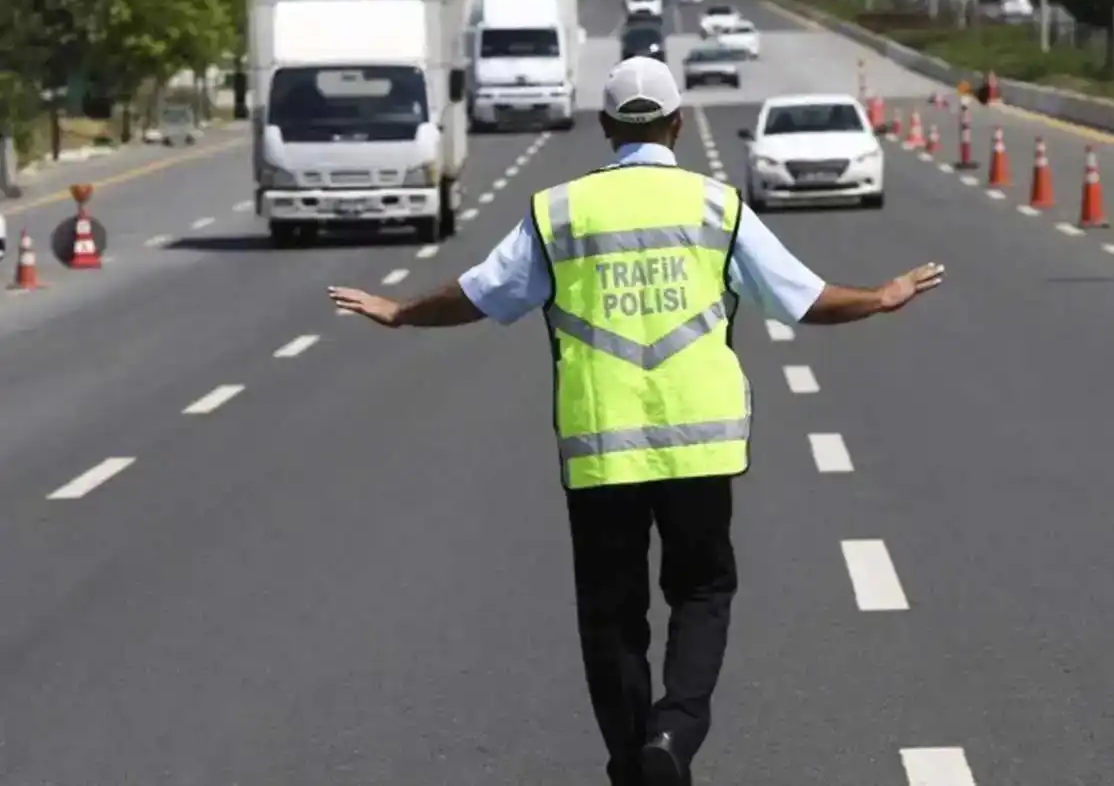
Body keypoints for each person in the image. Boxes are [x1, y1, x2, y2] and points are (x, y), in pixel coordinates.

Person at [328, 57, 945, 786]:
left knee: (611, 614)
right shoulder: (715, 206)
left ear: (606, 126)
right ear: (677, 124)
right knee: (702, 592)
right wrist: (879, 297)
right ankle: (672, 735)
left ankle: (631, 763)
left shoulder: (561, 211)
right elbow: (801, 297)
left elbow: (482, 293)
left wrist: (401, 311)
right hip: (701, 444)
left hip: (602, 446)